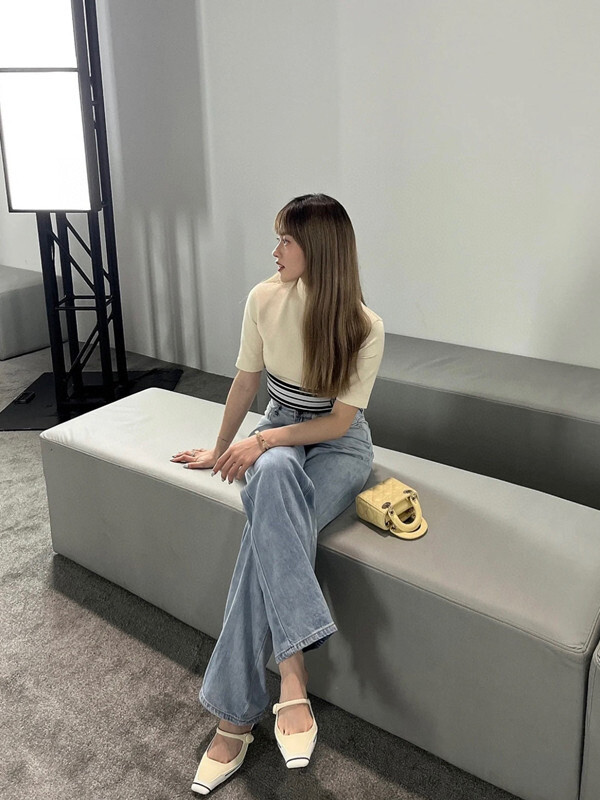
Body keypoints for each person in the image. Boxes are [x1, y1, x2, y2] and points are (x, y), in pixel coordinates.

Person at [171, 193, 385, 795]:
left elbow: (338, 422)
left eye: (285, 240)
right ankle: (293, 676)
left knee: (268, 509)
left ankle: (235, 719)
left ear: (317, 249)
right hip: (281, 423)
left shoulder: (365, 327)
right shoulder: (263, 299)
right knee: (271, 481)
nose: (275, 251)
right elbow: (246, 381)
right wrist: (223, 447)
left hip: (338, 445)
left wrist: (262, 442)